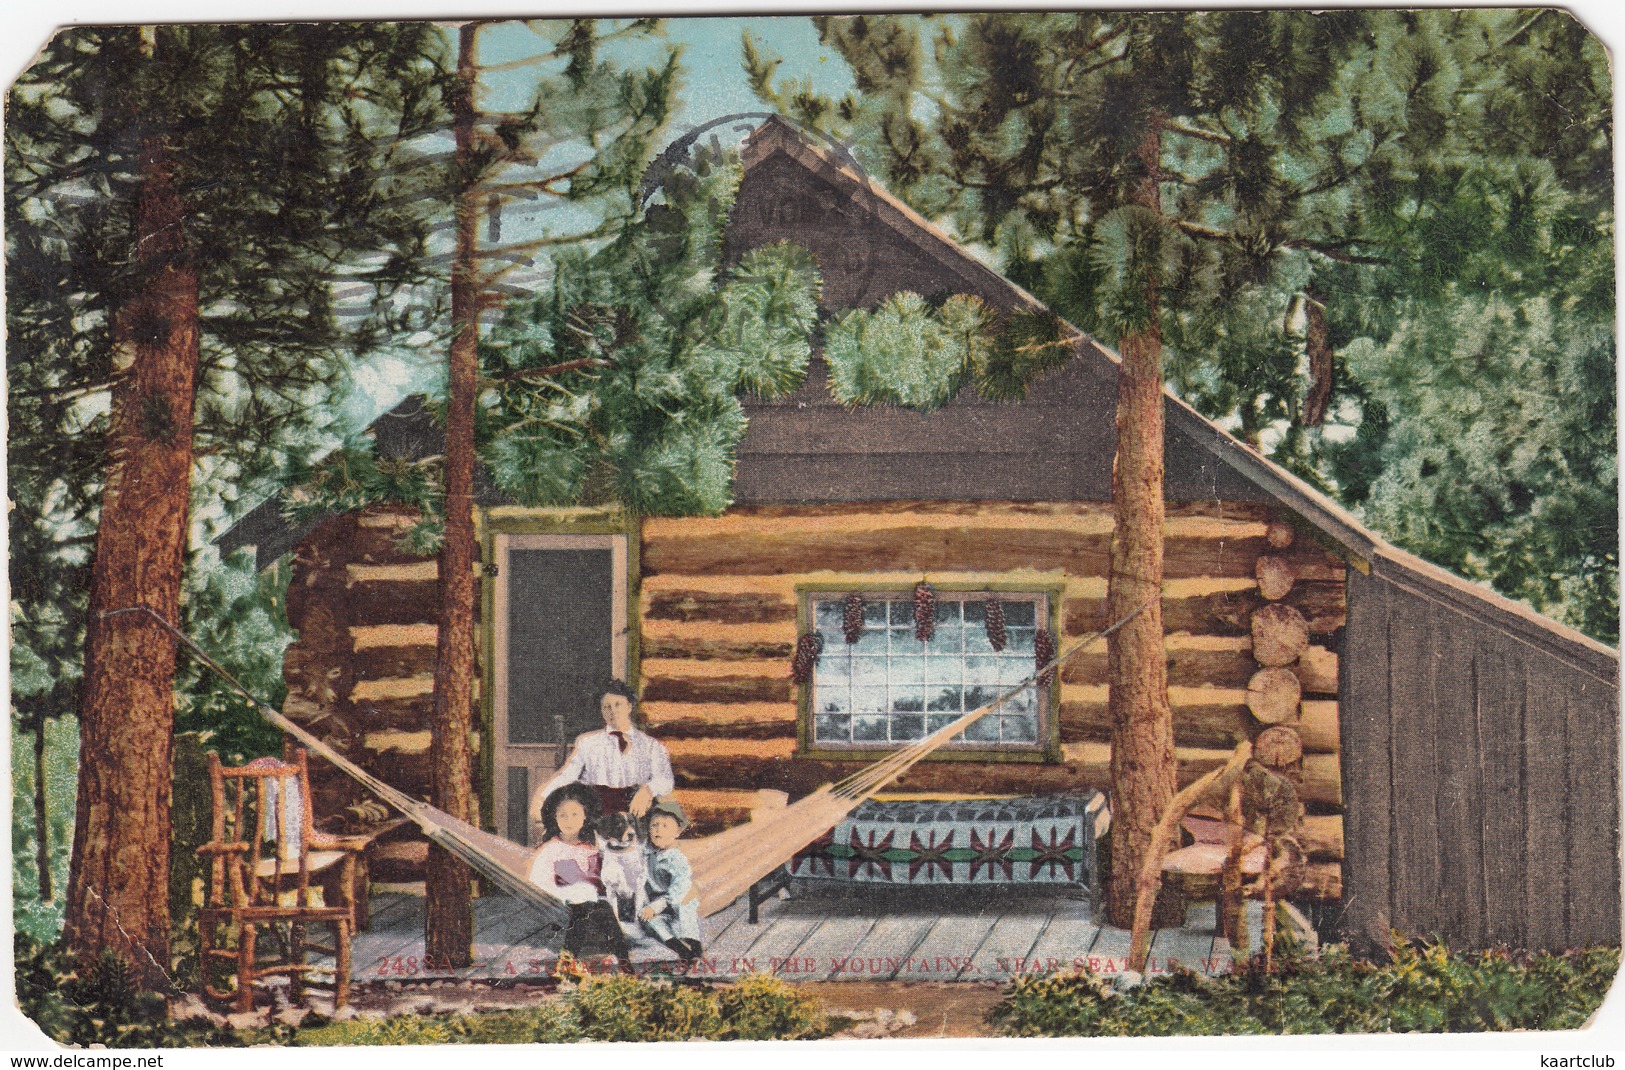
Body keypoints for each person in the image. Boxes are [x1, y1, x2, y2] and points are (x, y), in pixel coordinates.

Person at [531, 680, 674, 829]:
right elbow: (567, 776)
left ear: (629, 706)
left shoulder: (651, 745)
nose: (612, 711)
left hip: (636, 812)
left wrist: (648, 790)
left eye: (618, 704)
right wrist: (541, 798)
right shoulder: (588, 743)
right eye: (606, 707)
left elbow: (665, 780)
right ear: (602, 711)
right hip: (598, 814)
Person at [528, 783, 633, 971]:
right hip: (563, 900)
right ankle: (567, 960)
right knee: (583, 912)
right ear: (555, 818)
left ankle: (624, 960)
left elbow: (604, 872)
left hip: (591, 900)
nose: (569, 820)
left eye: (575, 814)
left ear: (585, 816)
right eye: (563, 815)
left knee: (605, 910)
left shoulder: (591, 845)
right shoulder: (552, 848)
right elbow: (538, 878)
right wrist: (559, 894)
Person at [638, 797, 703, 962]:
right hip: (656, 901)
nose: (658, 830)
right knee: (650, 920)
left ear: (678, 831)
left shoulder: (676, 858)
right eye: (654, 825)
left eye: (665, 826)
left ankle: (694, 946)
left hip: (676, 899)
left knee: (686, 907)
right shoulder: (646, 852)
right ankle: (678, 947)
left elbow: (680, 886)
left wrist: (658, 905)